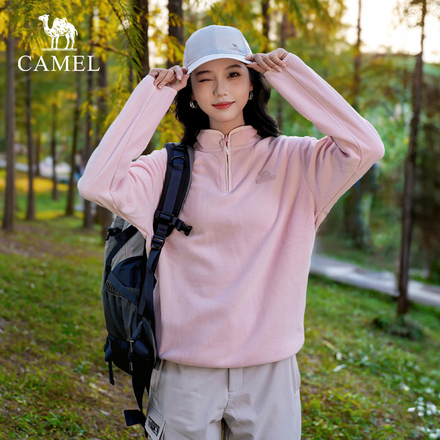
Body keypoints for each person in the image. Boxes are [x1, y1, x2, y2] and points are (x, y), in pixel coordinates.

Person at [78, 25, 384, 440]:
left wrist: (290, 74)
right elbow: (96, 183)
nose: (221, 89)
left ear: (253, 83)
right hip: (184, 373)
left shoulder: (297, 160)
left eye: (234, 74)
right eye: (205, 78)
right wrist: (153, 96)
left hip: (269, 373)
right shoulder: (165, 168)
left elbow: (366, 146)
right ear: (190, 90)